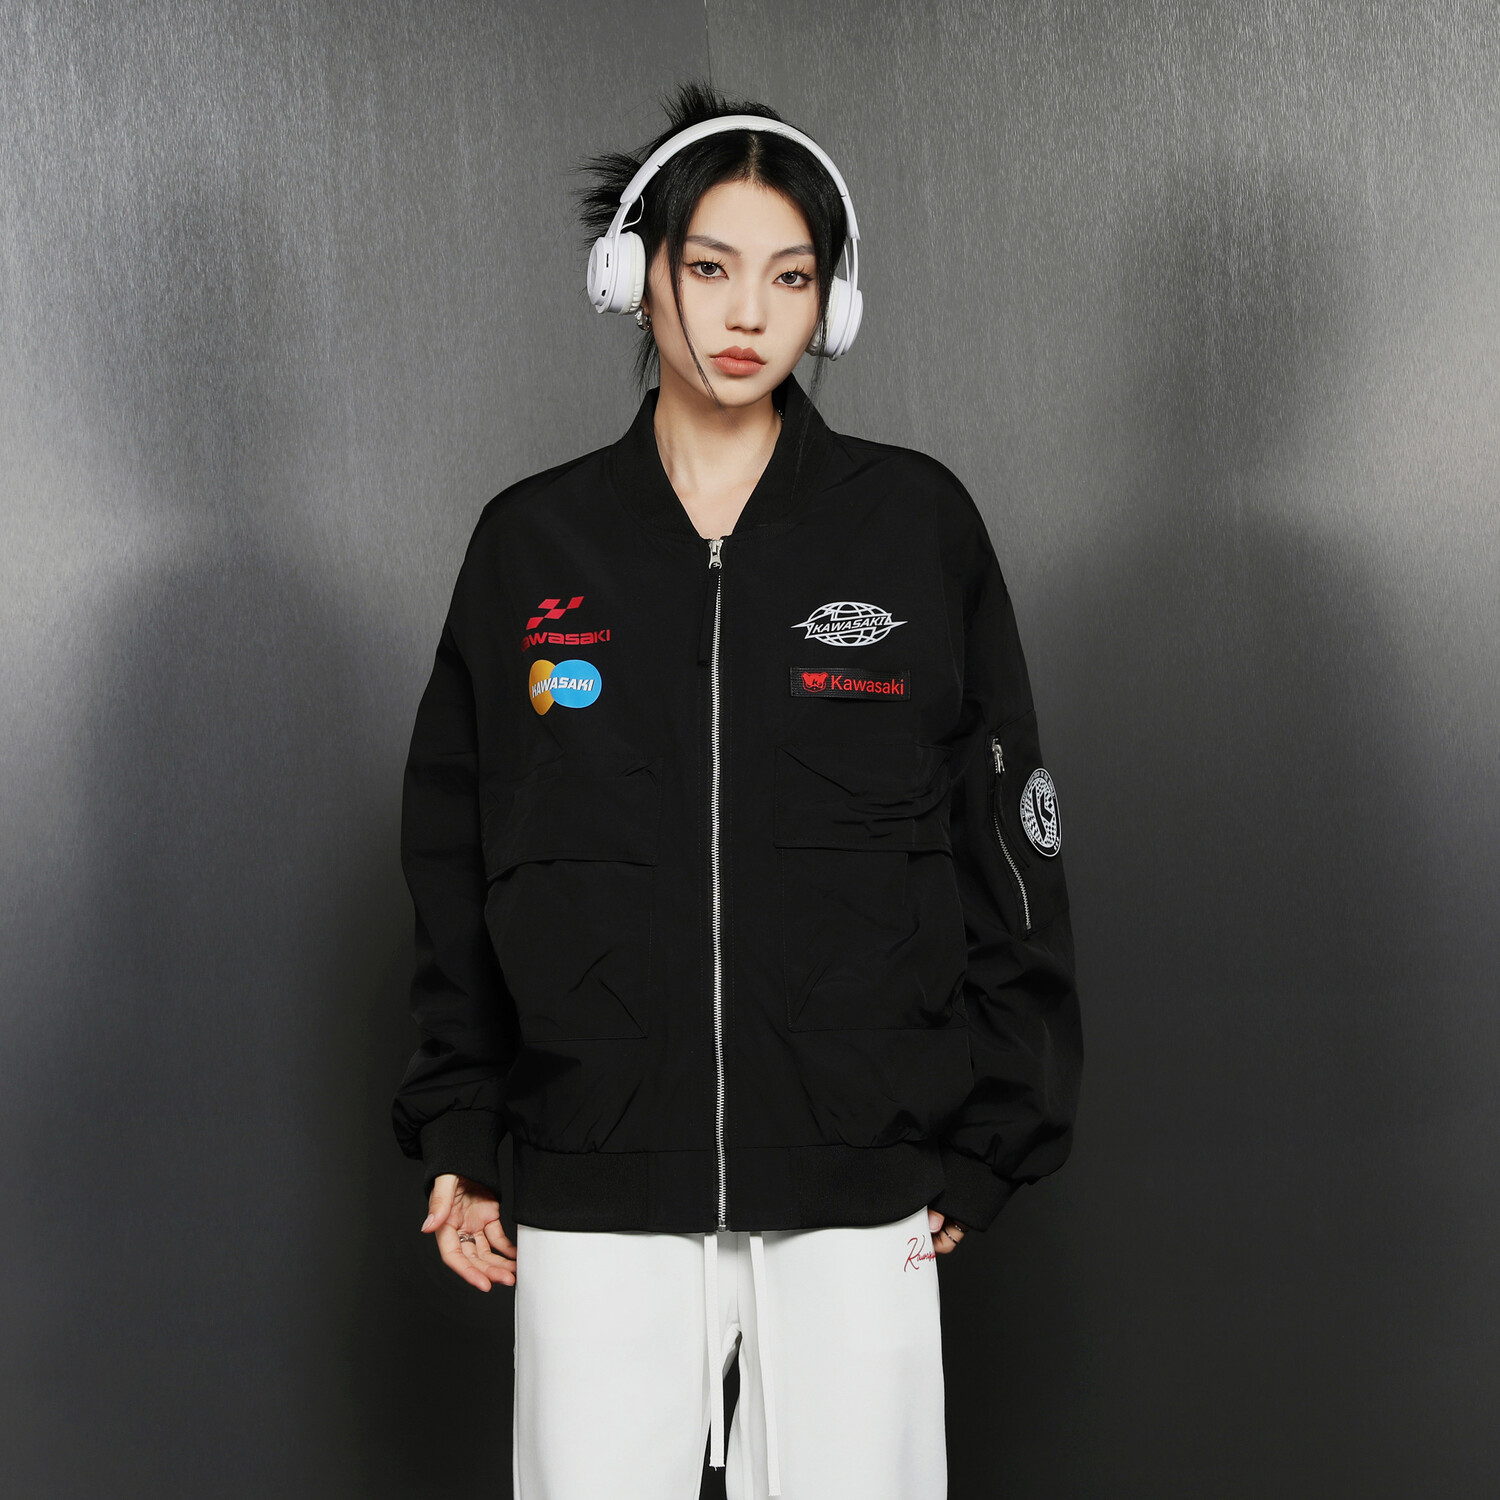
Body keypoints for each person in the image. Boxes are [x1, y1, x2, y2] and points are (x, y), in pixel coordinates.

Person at [390, 79, 1082, 1500]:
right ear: (632, 272)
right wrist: (462, 1129)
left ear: (832, 304)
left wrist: (1000, 1130)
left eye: (791, 277)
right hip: (595, 1169)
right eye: (709, 268)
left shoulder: (915, 526)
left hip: (858, 1175)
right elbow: (456, 854)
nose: (747, 315)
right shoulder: (533, 545)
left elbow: (1007, 840)